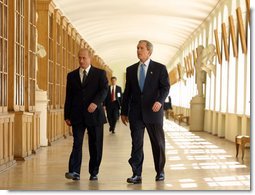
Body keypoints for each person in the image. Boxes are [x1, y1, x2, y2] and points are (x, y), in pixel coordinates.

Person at [121, 40, 170, 184]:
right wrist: (124, 112)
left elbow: (165, 87)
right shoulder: (130, 70)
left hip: (153, 112)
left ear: (149, 51)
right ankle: (136, 174)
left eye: (141, 48)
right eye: (137, 48)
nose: (138, 50)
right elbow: (127, 93)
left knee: (158, 143)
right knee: (137, 144)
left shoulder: (160, 68)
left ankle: (160, 171)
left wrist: (159, 101)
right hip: (136, 113)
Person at [64, 48, 108, 181]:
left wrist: (96, 102)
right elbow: (69, 96)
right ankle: (74, 171)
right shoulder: (71, 76)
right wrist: (67, 115)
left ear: (90, 58)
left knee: (95, 144)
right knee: (77, 143)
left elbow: (104, 90)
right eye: (79, 58)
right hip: (77, 115)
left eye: (84, 58)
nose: (81, 60)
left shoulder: (100, 74)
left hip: (94, 115)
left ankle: (93, 171)